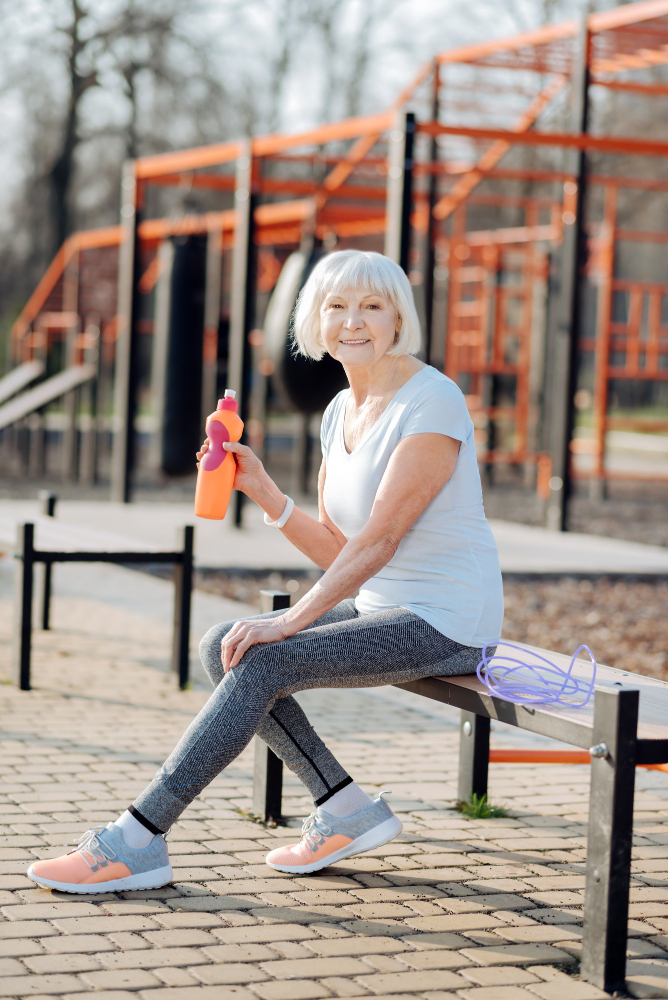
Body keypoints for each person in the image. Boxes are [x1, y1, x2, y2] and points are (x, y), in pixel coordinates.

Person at [27, 249, 503, 894]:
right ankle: (344, 809)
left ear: (398, 318)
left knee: (264, 655)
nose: (353, 321)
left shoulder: (433, 400)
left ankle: (137, 839)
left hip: (448, 619)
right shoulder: (339, 412)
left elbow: (380, 541)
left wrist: (290, 623)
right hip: (383, 605)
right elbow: (342, 547)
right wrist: (265, 493)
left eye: (371, 306)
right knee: (221, 642)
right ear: (315, 319)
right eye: (336, 306)